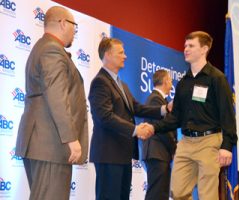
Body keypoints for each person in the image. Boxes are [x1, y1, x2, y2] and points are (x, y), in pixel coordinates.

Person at [145, 31, 238, 200]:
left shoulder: (217, 78)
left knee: (207, 195)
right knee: (178, 192)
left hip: (209, 142)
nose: (185, 49)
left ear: (204, 49)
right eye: (185, 45)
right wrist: (154, 127)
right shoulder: (183, 82)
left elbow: (228, 115)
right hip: (186, 143)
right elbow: (175, 117)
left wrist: (227, 146)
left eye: (191, 45)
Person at [15, 6, 88, 200]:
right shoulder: (51, 50)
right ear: (63, 24)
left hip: (44, 143)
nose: (75, 32)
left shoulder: (44, 48)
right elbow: (57, 96)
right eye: (74, 26)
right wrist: (71, 139)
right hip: (51, 144)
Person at [89, 37, 169, 200]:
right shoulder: (100, 82)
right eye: (121, 52)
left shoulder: (122, 84)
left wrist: (164, 109)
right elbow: (105, 116)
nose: (125, 56)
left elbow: (137, 108)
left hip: (123, 154)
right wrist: (135, 129)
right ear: (108, 55)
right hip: (109, 154)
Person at [142, 69, 177, 200]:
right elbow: (161, 129)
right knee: (156, 194)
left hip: (161, 154)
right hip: (157, 153)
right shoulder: (155, 99)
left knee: (161, 194)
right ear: (165, 81)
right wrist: (174, 147)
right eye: (171, 81)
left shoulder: (161, 100)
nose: (172, 84)